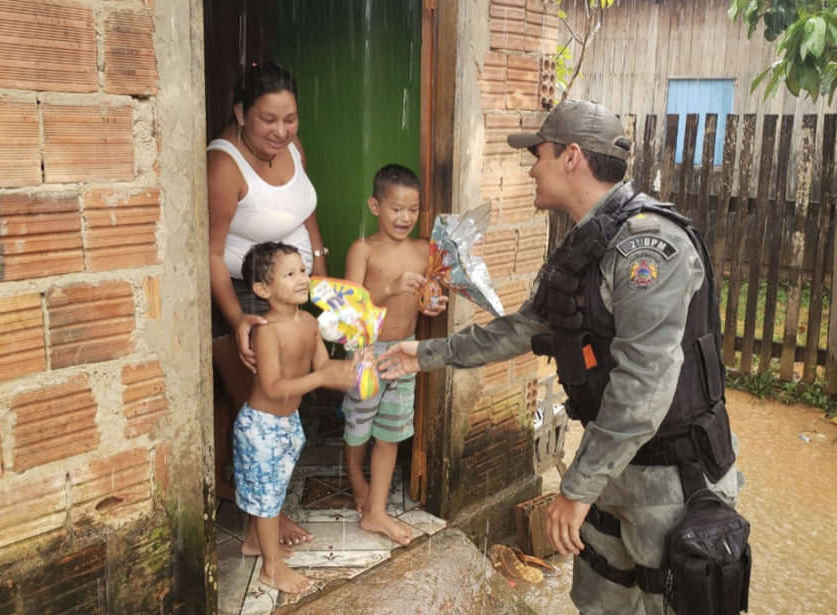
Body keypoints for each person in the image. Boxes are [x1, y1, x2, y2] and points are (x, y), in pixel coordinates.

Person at [377, 100, 743, 613]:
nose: (531, 167)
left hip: (671, 482)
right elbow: (522, 330)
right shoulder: (585, 243)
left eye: (539, 154)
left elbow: (644, 385)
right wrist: (424, 353)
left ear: (571, 157)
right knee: (599, 599)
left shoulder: (648, 248)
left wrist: (574, 490)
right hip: (610, 470)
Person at [208, 61, 328, 545]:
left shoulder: (293, 148)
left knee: (250, 405)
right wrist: (237, 317)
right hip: (243, 294)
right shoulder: (223, 165)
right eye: (268, 119)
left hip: (293, 284)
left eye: (290, 118)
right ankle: (266, 521)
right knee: (262, 409)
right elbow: (212, 253)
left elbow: (307, 208)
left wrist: (319, 268)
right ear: (241, 112)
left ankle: (227, 485)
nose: (281, 131)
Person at [233, 241, 359, 593]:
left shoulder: (308, 322)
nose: (303, 278)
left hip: (287, 423)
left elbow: (323, 365)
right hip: (260, 427)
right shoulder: (266, 330)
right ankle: (272, 568)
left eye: (303, 270)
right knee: (267, 496)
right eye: (290, 274)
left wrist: (353, 367)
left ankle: (254, 541)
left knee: (269, 492)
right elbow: (272, 387)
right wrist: (322, 379)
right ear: (262, 289)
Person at [341, 164, 448, 545]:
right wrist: (390, 286)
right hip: (368, 351)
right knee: (359, 425)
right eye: (396, 208)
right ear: (375, 206)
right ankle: (356, 478)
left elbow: (428, 297)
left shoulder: (424, 250)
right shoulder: (364, 250)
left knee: (390, 432)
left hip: (405, 353)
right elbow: (350, 307)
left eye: (413, 209)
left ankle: (376, 512)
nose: (405, 217)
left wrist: (431, 304)